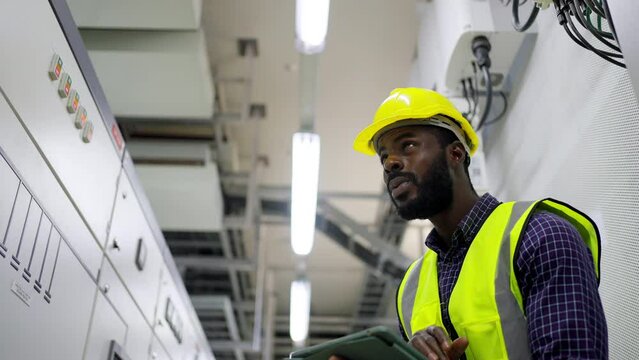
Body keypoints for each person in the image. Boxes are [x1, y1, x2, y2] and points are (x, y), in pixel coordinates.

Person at [345, 88, 608, 359]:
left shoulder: (540, 236)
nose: (390, 164)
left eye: (407, 145)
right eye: (383, 156)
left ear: (456, 154)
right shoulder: (409, 291)